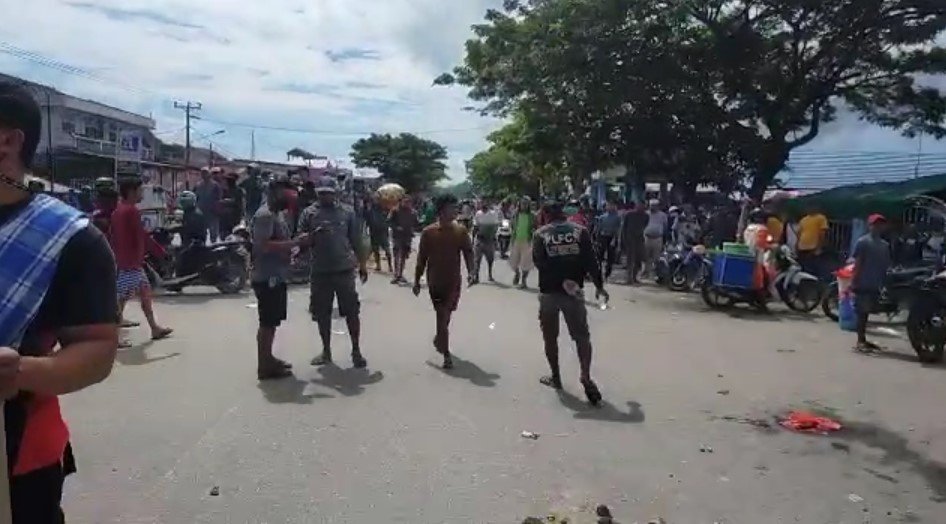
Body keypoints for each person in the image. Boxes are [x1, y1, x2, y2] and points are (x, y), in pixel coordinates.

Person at [0, 82, 119, 523]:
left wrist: (23, 371)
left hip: (18, 457)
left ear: (8, 140)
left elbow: (97, 350)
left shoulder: (70, 240)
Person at [532, 200, 608, 405]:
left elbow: (540, 263)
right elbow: (591, 260)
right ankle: (585, 375)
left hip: (549, 292)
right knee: (582, 337)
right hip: (574, 292)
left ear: (545, 215)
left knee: (550, 337)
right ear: (563, 214)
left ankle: (556, 377)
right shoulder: (580, 231)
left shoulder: (541, 234)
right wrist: (599, 286)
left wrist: (559, 280)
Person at [297, 177, 369, 368]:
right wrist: (313, 236)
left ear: (335, 193)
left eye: (328, 193)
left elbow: (356, 240)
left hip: (344, 269)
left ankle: (356, 351)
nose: (325, 196)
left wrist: (362, 265)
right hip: (320, 270)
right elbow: (300, 240)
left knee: (352, 312)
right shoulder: (309, 213)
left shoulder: (347, 212)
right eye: (322, 193)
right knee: (322, 313)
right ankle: (326, 351)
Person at [413, 194, 475, 369]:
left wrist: (472, 272)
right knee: (442, 315)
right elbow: (421, 259)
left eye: (456, 208)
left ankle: (440, 337)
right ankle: (446, 354)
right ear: (441, 211)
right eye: (451, 208)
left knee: (446, 316)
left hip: (454, 281)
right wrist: (417, 281)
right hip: (436, 282)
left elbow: (468, 253)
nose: (455, 211)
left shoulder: (461, 231)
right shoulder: (428, 232)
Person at [110, 176, 173, 346]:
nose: (142, 194)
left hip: (127, 262)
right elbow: (142, 237)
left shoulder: (118, 211)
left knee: (143, 294)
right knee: (120, 301)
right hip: (130, 264)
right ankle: (112, 338)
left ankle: (154, 328)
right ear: (131, 191)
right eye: (140, 190)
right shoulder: (130, 211)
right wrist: (160, 252)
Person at [251, 179, 302, 380]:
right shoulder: (264, 215)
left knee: (272, 322)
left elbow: (279, 241)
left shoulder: (276, 214)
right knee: (267, 322)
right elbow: (263, 245)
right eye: (286, 195)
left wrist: (294, 248)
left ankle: (269, 358)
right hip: (267, 276)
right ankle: (264, 365)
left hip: (276, 273)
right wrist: (294, 243)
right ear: (273, 192)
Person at [851, 214, 892, 352]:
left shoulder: (884, 245)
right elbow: (858, 263)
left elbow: (886, 265)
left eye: (881, 224)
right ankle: (860, 340)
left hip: (873, 283)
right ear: (870, 226)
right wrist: (854, 280)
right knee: (862, 313)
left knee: (864, 312)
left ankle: (861, 340)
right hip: (864, 281)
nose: (878, 227)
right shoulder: (864, 242)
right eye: (876, 224)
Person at [389, 196, 418, 284]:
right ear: (401, 202)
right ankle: (396, 275)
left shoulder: (413, 212)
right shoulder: (395, 211)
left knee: (403, 257)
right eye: (405, 202)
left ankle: (400, 274)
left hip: (407, 237)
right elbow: (389, 222)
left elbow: (417, 223)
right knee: (397, 255)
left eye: (409, 202)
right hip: (397, 236)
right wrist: (396, 227)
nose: (407, 204)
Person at [471, 198, 501, 283]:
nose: (483, 204)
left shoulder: (493, 214)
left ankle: (490, 274)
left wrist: (493, 236)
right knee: (477, 259)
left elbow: (496, 226)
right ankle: (476, 276)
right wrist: (473, 240)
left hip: (489, 239)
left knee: (490, 259)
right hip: (480, 239)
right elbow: (475, 227)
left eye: (485, 203)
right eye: (481, 203)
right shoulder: (478, 214)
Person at [509, 196, 536, 288]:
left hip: (527, 241)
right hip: (516, 240)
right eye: (522, 203)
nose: (524, 205)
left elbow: (535, 226)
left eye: (526, 203)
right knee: (513, 261)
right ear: (519, 204)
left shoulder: (532, 215)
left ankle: (524, 281)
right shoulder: (515, 214)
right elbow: (511, 225)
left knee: (526, 263)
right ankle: (517, 273)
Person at [797, 204, 830, 276]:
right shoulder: (803, 220)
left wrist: (819, 247)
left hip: (813, 247)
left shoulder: (821, 218)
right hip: (802, 247)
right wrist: (797, 245)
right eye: (808, 207)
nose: (809, 209)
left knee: (813, 268)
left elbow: (822, 233)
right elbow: (799, 234)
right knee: (803, 267)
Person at [620, 202, 648, 284]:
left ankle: (635, 277)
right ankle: (629, 278)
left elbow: (645, 225)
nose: (641, 207)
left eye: (643, 206)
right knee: (630, 260)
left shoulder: (646, 216)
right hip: (630, 239)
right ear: (636, 206)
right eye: (639, 205)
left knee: (638, 260)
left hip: (639, 239)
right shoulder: (629, 214)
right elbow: (624, 227)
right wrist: (623, 239)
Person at [365, 195, 393, 272]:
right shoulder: (370, 211)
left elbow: (389, 218)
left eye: (377, 200)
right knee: (375, 250)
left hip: (383, 232)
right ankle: (378, 265)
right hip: (374, 232)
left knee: (387, 250)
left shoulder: (385, 209)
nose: (376, 201)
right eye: (374, 200)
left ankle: (390, 266)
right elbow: (367, 220)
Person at [642, 199, 668, 279]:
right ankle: (645, 272)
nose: (652, 207)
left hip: (658, 238)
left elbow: (665, 226)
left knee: (656, 258)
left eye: (654, 205)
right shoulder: (645, 214)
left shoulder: (662, 215)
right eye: (651, 205)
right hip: (647, 237)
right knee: (645, 257)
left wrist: (664, 238)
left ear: (658, 206)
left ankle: (655, 274)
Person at [195, 167, 222, 243]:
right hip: (201, 211)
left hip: (212, 212)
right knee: (202, 231)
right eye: (202, 173)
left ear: (209, 174)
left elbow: (219, 198)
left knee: (213, 232)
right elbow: (196, 197)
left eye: (205, 173)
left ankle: (213, 246)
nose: (203, 175)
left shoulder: (215, 185)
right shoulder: (198, 185)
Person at [595, 201, 622, 278]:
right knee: (599, 256)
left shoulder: (617, 217)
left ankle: (607, 272)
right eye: (608, 206)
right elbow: (598, 229)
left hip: (612, 237)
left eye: (611, 206)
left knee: (611, 257)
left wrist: (615, 239)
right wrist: (597, 239)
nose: (609, 207)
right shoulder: (602, 217)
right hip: (602, 237)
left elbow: (618, 229)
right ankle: (598, 272)